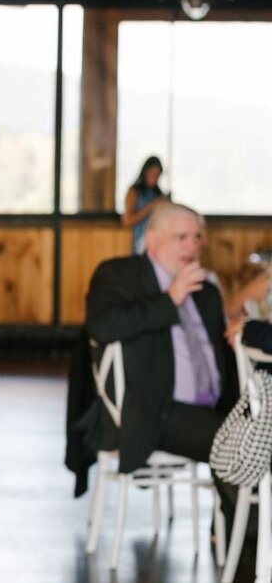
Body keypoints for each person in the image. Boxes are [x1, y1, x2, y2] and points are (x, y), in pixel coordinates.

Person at [84, 199, 237, 474]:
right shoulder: (120, 274)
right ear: (152, 239)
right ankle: (239, 518)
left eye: (197, 237)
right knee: (243, 446)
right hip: (154, 411)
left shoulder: (206, 291)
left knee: (253, 440)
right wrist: (170, 300)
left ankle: (232, 519)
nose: (193, 246)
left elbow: (224, 355)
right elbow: (103, 326)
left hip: (214, 410)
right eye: (181, 237)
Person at [121, 155, 166, 254]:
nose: (154, 178)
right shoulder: (134, 192)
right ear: (145, 172)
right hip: (140, 244)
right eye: (152, 174)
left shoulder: (158, 194)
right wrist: (151, 207)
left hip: (158, 243)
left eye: (157, 175)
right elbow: (128, 220)